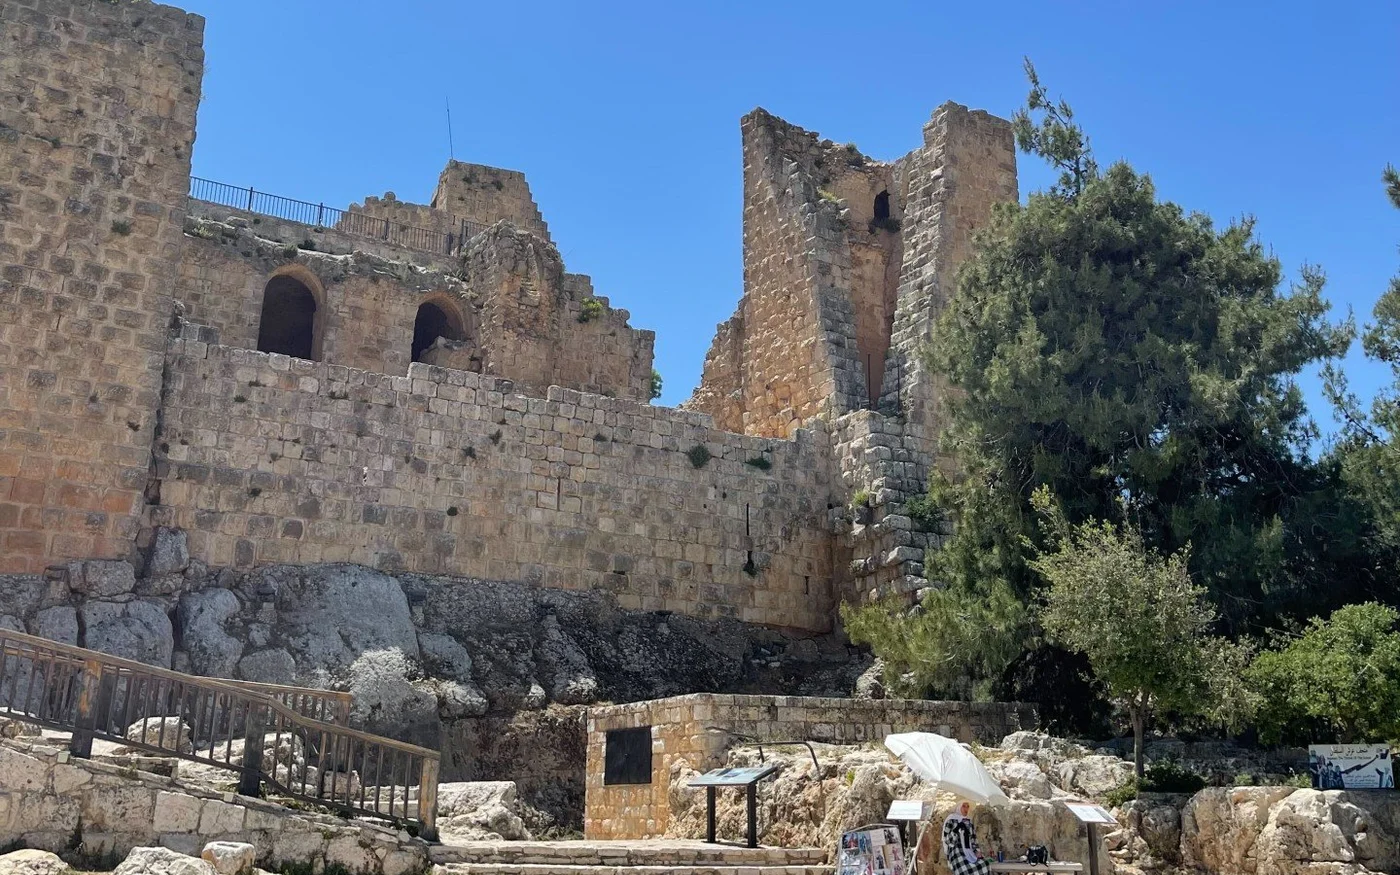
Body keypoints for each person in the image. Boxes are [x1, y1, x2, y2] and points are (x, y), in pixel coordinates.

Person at [941, 801, 990, 875]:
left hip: (969, 852)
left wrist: (977, 851)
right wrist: (957, 829)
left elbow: (973, 839)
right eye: (964, 806)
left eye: (967, 807)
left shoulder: (968, 823)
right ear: (959, 807)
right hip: (956, 852)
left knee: (984, 865)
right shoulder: (951, 820)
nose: (966, 809)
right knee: (964, 870)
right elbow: (948, 840)